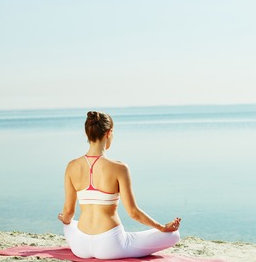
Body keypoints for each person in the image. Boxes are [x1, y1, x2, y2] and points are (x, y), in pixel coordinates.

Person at [58, 111, 180, 259]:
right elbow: (133, 212)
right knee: (173, 236)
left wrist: (64, 219)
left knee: (68, 223)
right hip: (110, 245)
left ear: (87, 134)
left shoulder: (71, 166)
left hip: (81, 246)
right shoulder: (119, 168)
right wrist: (161, 227)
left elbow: (68, 212)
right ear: (109, 133)